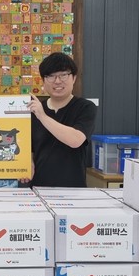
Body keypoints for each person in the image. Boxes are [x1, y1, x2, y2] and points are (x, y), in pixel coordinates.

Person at [26, 52, 97, 187]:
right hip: (39, 188)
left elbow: (75, 140)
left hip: (73, 189)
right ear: (43, 81)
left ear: (74, 78)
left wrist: (42, 116)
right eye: (51, 76)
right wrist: (28, 163)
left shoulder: (85, 107)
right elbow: (30, 147)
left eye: (63, 75)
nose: (57, 81)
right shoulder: (35, 110)